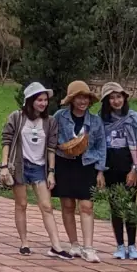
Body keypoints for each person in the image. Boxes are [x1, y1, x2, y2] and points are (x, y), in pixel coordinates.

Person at [0, 82, 62, 256]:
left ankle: (56, 246)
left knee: (47, 206)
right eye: (39, 100)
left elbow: (51, 147)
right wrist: (4, 166)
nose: (43, 103)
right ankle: (24, 243)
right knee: (22, 204)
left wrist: (51, 171)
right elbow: (6, 140)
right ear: (30, 101)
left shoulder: (50, 122)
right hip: (19, 166)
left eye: (45, 100)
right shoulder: (17, 117)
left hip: (39, 168)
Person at [51, 81, 107, 262]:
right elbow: (51, 137)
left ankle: (89, 247)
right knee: (67, 205)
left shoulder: (96, 121)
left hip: (87, 165)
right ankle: (74, 244)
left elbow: (101, 146)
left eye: (85, 98)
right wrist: (63, 146)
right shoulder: (60, 116)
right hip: (65, 163)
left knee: (87, 205)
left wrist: (100, 171)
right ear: (72, 100)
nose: (82, 101)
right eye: (78, 98)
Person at [97, 82, 137, 260]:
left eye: (119, 97)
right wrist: (100, 172)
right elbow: (98, 146)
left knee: (130, 207)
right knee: (115, 207)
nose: (116, 101)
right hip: (110, 168)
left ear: (124, 98)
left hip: (130, 169)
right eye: (112, 98)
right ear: (106, 101)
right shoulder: (101, 120)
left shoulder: (133, 118)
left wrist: (135, 170)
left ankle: (133, 246)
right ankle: (120, 245)